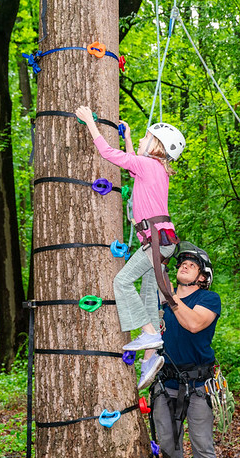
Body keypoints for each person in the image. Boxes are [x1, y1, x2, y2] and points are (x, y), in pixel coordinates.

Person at [75, 106, 186, 389]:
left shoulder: (149, 165)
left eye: (145, 138)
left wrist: (90, 122)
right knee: (149, 297)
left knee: (122, 282)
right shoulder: (157, 169)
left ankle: (148, 333)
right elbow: (135, 167)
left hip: (156, 244)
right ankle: (150, 358)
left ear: (156, 146)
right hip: (162, 243)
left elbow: (109, 155)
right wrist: (129, 135)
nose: (141, 142)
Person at [150, 242, 222, 458]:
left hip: (198, 384)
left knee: (202, 443)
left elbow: (193, 324)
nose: (185, 265)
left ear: (203, 277)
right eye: (182, 263)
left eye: (193, 264)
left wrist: (168, 295)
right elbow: (151, 337)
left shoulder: (208, 300)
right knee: (168, 444)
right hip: (164, 381)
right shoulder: (160, 301)